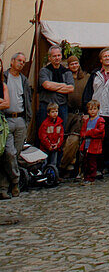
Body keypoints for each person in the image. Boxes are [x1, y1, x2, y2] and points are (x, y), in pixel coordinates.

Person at [83, 48, 109, 172]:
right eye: (105, 56)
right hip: (96, 113)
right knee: (95, 140)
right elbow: (88, 93)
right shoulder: (95, 75)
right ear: (101, 59)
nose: (107, 58)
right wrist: (86, 111)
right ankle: (95, 166)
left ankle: (107, 166)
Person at [2, 52, 32, 195]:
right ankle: (15, 180)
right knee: (9, 153)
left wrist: (27, 119)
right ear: (12, 61)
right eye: (19, 60)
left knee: (16, 153)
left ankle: (4, 187)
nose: (21, 63)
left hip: (20, 119)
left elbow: (27, 100)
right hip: (6, 119)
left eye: (23, 61)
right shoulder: (4, 77)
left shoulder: (24, 80)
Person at [60, 54, 89, 178]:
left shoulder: (86, 78)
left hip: (80, 113)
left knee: (75, 140)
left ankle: (74, 167)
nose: (74, 66)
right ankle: (63, 166)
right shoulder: (64, 78)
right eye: (72, 64)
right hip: (68, 112)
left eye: (76, 63)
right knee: (65, 141)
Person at [38, 45, 74, 133]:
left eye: (58, 55)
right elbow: (47, 85)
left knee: (61, 132)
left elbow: (71, 88)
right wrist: (63, 85)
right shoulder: (44, 71)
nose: (57, 58)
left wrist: (53, 86)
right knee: (44, 132)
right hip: (46, 106)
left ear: (61, 56)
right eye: (54, 56)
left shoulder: (67, 72)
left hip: (62, 107)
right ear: (49, 58)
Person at [79, 99, 105, 183]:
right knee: (86, 162)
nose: (92, 111)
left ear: (98, 110)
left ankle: (91, 178)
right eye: (90, 109)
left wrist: (89, 133)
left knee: (92, 163)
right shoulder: (87, 121)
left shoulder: (100, 120)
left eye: (94, 109)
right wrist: (84, 134)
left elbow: (100, 131)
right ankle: (86, 177)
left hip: (94, 145)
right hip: (87, 144)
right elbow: (83, 131)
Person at [38, 102, 65, 169]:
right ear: (48, 113)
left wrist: (57, 145)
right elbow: (43, 136)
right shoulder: (45, 124)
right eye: (52, 112)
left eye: (56, 111)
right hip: (45, 147)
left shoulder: (59, 123)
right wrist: (48, 145)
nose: (55, 113)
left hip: (55, 147)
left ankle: (53, 175)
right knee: (45, 162)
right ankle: (43, 175)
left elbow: (61, 136)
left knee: (54, 163)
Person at [0, 59, 12, 200]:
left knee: (4, 154)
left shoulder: (3, 85)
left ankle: (4, 187)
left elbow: (7, 103)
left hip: (1, 123)